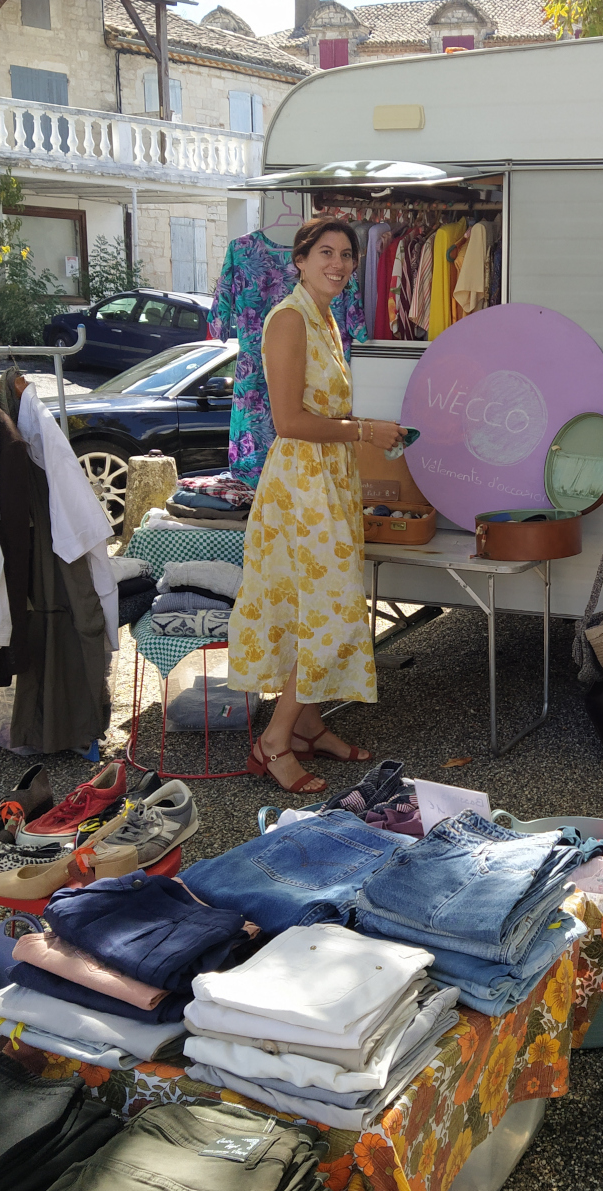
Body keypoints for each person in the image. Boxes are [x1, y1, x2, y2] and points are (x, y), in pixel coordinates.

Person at [228, 218, 402, 795]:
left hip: (325, 479)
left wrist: (364, 430)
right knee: (327, 609)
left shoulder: (323, 316)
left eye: (347, 255)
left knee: (319, 604)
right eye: (326, 252)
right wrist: (364, 431)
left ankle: (306, 725)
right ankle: (274, 741)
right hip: (302, 485)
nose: (339, 263)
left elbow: (321, 412)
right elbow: (288, 421)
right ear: (299, 260)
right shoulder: (289, 319)